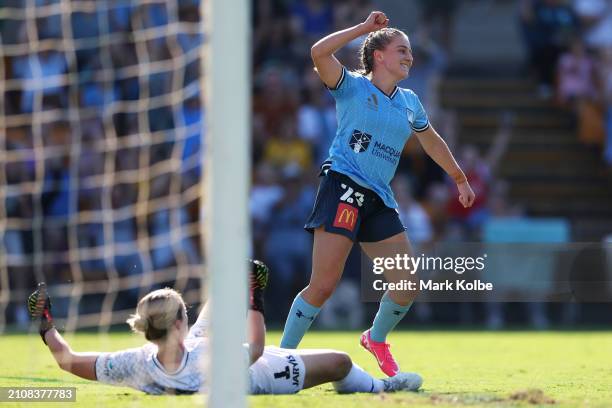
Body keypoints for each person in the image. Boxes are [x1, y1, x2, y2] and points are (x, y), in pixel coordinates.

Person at [279, 11, 475, 377]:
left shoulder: (410, 101)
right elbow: (319, 53)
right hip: (344, 187)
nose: (409, 57)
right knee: (322, 286)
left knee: (406, 286)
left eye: (411, 52)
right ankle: (280, 356)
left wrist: (458, 176)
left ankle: (376, 337)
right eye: (402, 50)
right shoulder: (352, 86)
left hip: (379, 198)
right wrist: (362, 29)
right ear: (379, 55)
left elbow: (430, 139)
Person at [27, 260, 422, 395]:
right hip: (258, 373)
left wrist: (46, 325)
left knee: (215, 310)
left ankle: (236, 273)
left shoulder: (136, 362)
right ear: (179, 325)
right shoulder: (208, 358)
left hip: (189, 356)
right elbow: (254, 347)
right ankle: (383, 387)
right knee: (339, 361)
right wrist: (255, 297)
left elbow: (68, 360)